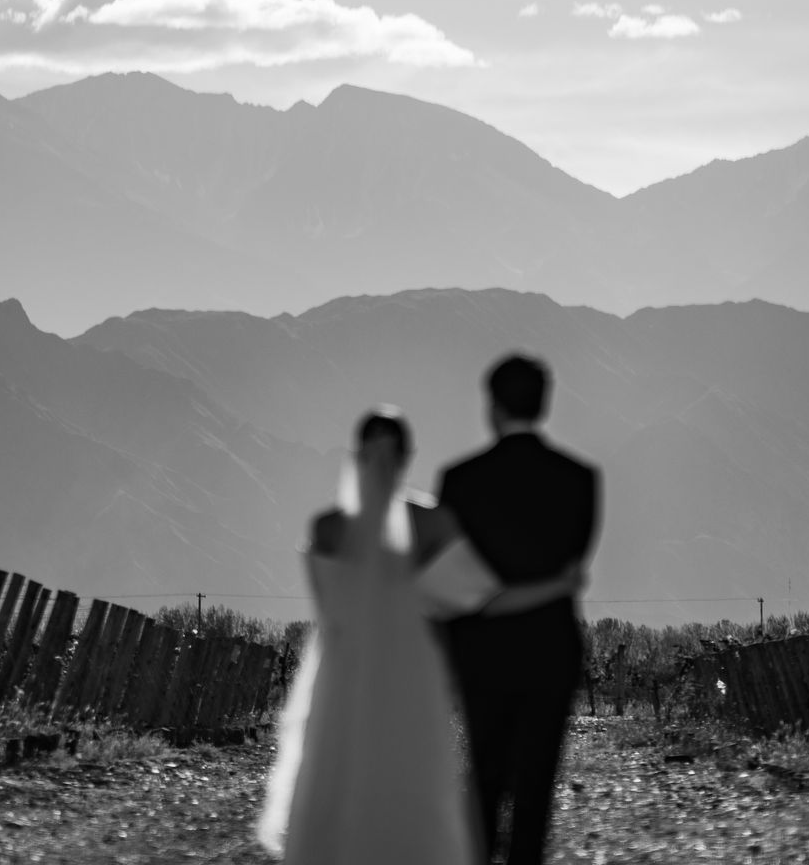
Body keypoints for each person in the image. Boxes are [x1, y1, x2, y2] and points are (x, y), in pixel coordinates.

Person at [255, 407, 584, 865]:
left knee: (336, 776)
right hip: (410, 673)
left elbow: (329, 611)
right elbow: (485, 599)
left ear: (356, 454)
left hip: (341, 675)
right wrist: (559, 584)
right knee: (408, 781)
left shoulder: (326, 530)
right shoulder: (431, 525)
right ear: (408, 455)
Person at [437, 354, 600, 865]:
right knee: (536, 788)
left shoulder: (460, 481)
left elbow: (455, 576)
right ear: (545, 403)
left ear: (492, 405)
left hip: (482, 651)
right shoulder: (580, 479)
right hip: (550, 649)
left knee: (483, 777)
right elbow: (574, 566)